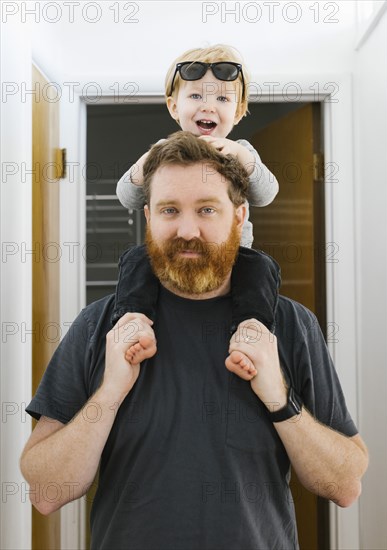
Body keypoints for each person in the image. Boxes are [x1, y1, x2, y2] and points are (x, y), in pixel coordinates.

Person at [20, 132, 368, 550]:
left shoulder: (290, 325)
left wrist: (280, 399)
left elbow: (345, 485)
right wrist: (109, 394)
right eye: (170, 210)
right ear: (148, 216)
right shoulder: (100, 326)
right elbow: (46, 492)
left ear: (239, 218)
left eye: (206, 209)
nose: (187, 229)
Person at [113, 44, 280, 374]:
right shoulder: (162, 152)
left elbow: (266, 194)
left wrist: (246, 161)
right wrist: (142, 166)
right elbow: (127, 198)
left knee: (261, 268)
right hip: (171, 253)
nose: (209, 106)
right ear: (174, 106)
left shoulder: (242, 150)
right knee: (135, 260)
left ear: (239, 109)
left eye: (222, 99)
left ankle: (252, 328)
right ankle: (133, 318)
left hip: (233, 255)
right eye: (196, 97)